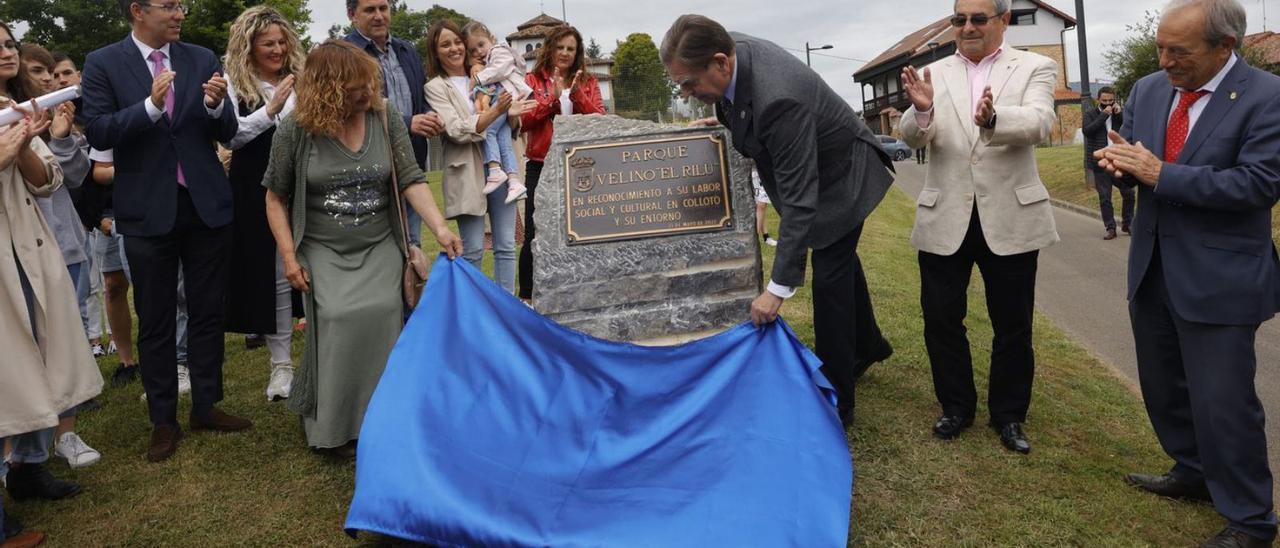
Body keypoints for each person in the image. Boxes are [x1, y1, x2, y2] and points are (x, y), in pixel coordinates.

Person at [1094, 0, 1280, 545]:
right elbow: (1136, 161)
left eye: (1180, 51)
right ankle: (1193, 472)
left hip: (1220, 278)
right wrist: (1124, 169)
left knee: (1224, 402)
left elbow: (1258, 184)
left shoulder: (1268, 98)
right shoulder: (1150, 89)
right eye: (1160, 47)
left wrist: (1162, 173)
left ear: (1226, 47)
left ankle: (1251, 518)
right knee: (1165, 386)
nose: (1166, 61)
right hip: (1152, 267)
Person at [661, 15, 895, 427]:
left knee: (828, 279)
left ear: (720, 62)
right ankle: (870, 344)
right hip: (819, 171)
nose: (687, 93)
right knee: (837, 261)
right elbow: (742, 103)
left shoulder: (779, 99)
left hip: (844, 176)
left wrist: (776, 290)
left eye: (688, 83)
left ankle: (838, 399)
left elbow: (802, 202)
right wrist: (723, 118)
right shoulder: (730, 56)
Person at [262, 40, 462, 455]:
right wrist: (288, 255)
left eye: (370, 84)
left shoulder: (384, 116)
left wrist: (440, 228)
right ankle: (334, 428)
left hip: (378, 243)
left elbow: (410, 177)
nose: (369, 93)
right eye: (358, 87)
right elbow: (275, 197)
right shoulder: (295, 128)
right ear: (329, 88)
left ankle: (383, 421)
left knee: (383, 313)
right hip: (322, 248)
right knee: (339, 316)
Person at [82, 0, 251, 463]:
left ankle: (205, 405)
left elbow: (229, 127)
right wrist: (150, 107)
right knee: (155, 318)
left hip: (205, 204)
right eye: (169, 5)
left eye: (182, 6)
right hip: (146, 211)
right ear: (137, 10)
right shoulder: (103, 63)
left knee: (207, 310)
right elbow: (98, 129)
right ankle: (163, 420)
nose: (179, 14)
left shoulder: (201, 57)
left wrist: (216, 106)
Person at [898, 0, 1059, 453]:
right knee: (940, 317)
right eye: (958, 19)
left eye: (977, 18)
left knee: (1013, 323)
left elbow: (1042, 121)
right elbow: (911, 136)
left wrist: (994, 118)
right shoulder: (934, 71)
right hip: (944, 213)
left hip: (1010, 214)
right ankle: (956, 406)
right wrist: (923, 112)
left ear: (1003, 21)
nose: (967, 27)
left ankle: (1008, 416)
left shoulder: (1035, 66)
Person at [0, 19, 102, 539]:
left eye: (9, 43)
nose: (6, 52)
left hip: (32, 251)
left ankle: (29, 468)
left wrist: (22, 146)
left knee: (46, 352)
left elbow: (49, 182)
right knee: (8, 370)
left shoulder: (20, 109)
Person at [19, 43, 103, 469]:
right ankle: (25, 450)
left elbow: (73, 179)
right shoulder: (11, 117)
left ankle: (67, 435)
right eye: (38, 70)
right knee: (24, 350)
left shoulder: (60, 119)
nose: (49, 79)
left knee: (67, 341)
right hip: (18, 250)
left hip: (65, 244)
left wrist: (61, 138)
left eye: (52, 72)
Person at [222, 6, 305, 400]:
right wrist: (270, 110)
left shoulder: (304, 81)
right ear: (248, 47)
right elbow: (232, 137)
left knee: (314, 266)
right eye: (267, 43)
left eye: (281, 41)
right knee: (274, 276)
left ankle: (325, 355)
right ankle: (281, 366)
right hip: (255, 188)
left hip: (307, 187)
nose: (277, 48)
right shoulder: (233, 85)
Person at [422, 21, 531, 294]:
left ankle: (505, 307)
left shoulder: (485, 74)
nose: (454, 48)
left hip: (503, 168)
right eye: (445, 44)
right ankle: (476, 313)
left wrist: (511, 114)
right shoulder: (435, 87)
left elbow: (511, 122)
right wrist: (495, 114)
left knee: (506, 245)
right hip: (467, 172)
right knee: (472, 250)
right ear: (436, 52)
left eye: (457, 42)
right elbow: (455, 129)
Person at [343, 0, 444, 246]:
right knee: (380, 250)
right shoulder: (343, 53)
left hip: (411, 164)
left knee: (414, 248)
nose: (379, 16)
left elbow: (421, 98)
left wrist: (431, 115)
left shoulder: (406, 49)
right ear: (351, 14)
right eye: (370, 10)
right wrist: (408, 122)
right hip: (369, 169)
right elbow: (346, 109)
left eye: (383, 8)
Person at [519, 25, 606, 300]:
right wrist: (553, 99)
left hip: (581, 166)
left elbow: (600, 120)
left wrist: (576, 94)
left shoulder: (588, 81)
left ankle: (579, 290)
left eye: (571, 48)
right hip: (540, 164)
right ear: (550, 48)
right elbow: (524, 120)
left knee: (584, 229)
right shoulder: (531, 80)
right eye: (560, 47)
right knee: (535, 233)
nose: (565, 53)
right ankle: (528, 296)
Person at [463, 22, 530, 205]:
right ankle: (514, 181)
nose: (478, 52)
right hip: (505, 98)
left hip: (505, 97)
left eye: (481, 45)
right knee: (503, 141)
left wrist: (477, 78)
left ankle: (494, 170)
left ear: (491, 38)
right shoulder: (488, 59)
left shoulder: (499, 51)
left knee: (489, 130)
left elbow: (499, 70)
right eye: (473, 50)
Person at [1082, 86, 1134, 240]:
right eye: (1104, 101)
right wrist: (1104, 115)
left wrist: (1120, 115)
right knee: (1105, 197)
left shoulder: (1118, 114)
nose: (1108, 103)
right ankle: (1110, 228)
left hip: (1118, 160)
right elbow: (1088, 131)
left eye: (1110, 100)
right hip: (1100, 161)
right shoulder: (1090, 114)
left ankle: (1128, 223)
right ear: (1098, 100)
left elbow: (1129, 128)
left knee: (1129, 192)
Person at [746, 159, 776, 247]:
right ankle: (755, 238)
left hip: (762, 169)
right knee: (760, 205)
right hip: (750, 170)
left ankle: (765, 237)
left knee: (762, 205)